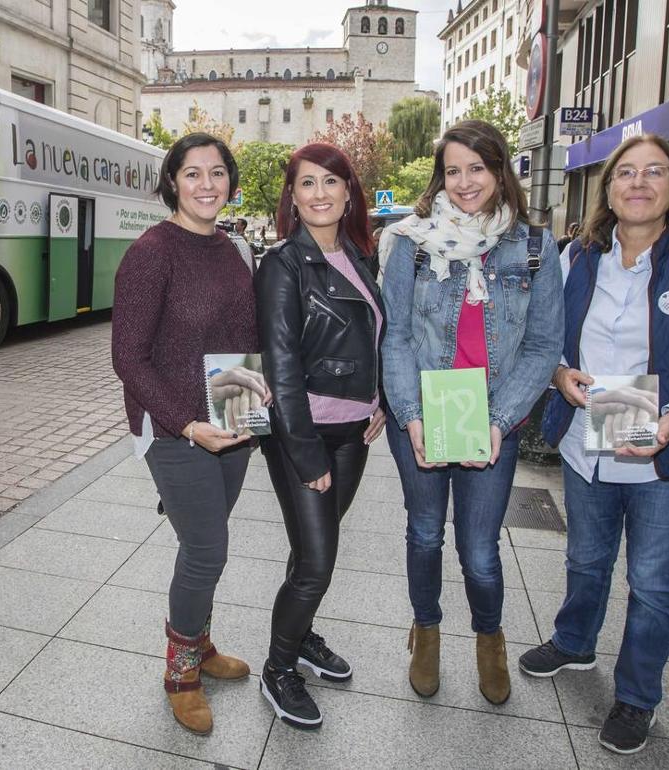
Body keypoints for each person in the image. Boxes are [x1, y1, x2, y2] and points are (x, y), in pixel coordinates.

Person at [522, 134, 669, 755]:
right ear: (609, 189)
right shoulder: (578, 256)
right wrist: (559, 373)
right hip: (588, 441)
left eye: (655, 173)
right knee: (586, 558)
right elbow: (550, 338)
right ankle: (574, 641)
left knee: (654, 582)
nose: (639, 182)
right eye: (626, 172)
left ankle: (637, 695)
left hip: (663, 448)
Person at [378, 120, 563, 706]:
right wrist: (409, 415)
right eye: (453, 170)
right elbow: (396, 337)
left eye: (477, 168)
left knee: (480, 551)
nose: (464, 182)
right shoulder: (409, 240)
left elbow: (542, 347)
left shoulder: (534, 245)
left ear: (500, 170)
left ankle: (490, 640)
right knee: (425, 532)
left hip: (492, 417)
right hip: (424, 415)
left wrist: (500, 421)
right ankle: (426, 634)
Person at [112, 132, 268, 735]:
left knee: (205, 544)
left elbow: (238, 334)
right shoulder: (152, 252)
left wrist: (261, 387)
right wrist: (185, 424)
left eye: (218, 173)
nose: (208, 184)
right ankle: (180, 672)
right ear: (172, 182)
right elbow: (129, 358)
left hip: (232, 416)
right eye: (193, 173)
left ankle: (199, 644)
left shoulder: (233, 249)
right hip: (176, 429)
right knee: (208, 550)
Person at [254, 143, 386, 729]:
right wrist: (305, 455)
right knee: (318, 563)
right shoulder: (281, 264)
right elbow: (280, 365)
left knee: (309, 550)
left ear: (349, 192)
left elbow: (374, 337)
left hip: (353, 433)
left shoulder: (361, 256)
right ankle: (278, 668)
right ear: (293, 196)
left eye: (331, 182)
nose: (320, 194)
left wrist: (378, 400)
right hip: (301, 436)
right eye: (307, 184)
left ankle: (300, 636)